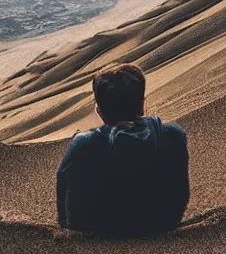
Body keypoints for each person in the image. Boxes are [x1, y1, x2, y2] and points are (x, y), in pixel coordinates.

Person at [56, 63, 189, 236]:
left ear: (100, 111)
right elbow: (181, 194)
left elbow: (64, 195)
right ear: (142, 105)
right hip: (163, 223)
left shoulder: (83, 145)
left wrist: (68, 228)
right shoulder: (173, 135)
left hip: (99, 235)